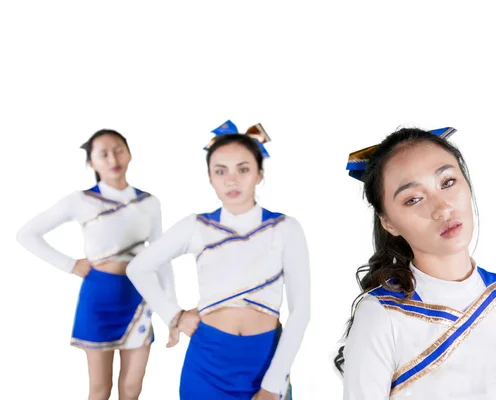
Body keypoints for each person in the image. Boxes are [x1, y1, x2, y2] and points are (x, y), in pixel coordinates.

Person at [337, 127, 496, 399]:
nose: (442, 208)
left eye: (447, 183)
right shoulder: (381, 316)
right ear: (388, 222)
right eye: (413, 199)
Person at [126, 121, 310, 400]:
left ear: (259, 173)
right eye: (220, 171)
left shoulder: (285, 228)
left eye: (243, 169)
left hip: (265, 362)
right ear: (210, 177)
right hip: (207, 364)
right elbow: (138, 267)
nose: (232, 180)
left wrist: (272, 385)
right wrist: (173, 316)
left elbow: (301, 312)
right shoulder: (196, 226)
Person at [16, 129, 177, 400]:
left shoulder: (149, 203)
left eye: (118, 149)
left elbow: (160, 257)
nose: (113, 158)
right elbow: (26, 234)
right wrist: (70, 264)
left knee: (132, 388)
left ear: (129, 153)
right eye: (103, 153)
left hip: (139, 299)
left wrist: (170, 310)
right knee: (100, 389)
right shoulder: (81, 200)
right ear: (92, 162)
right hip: (99, 298)